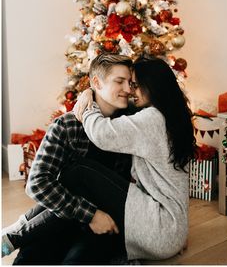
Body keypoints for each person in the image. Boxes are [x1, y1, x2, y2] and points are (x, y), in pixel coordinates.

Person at [2, 53, 136, 265]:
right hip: (63, 216)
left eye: (130, 83)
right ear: (96, 83)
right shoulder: (67, 125)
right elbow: (37, 184)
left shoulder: (132, 124)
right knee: (28, 261)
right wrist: (90, 215)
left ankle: (20, 231)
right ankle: (18, 235)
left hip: (107, 222)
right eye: (119, 81)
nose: (128, 89)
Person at [72, 55, 196, 260]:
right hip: (173, 229)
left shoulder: (152, 119)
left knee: (78, 172)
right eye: (129, 84)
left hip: (159, 228)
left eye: (136, 85)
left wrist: (88, 104)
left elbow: (101, 134)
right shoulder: (173, 116)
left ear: (152, 86)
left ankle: (22, 232)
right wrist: (90, 90)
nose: (130, 91)